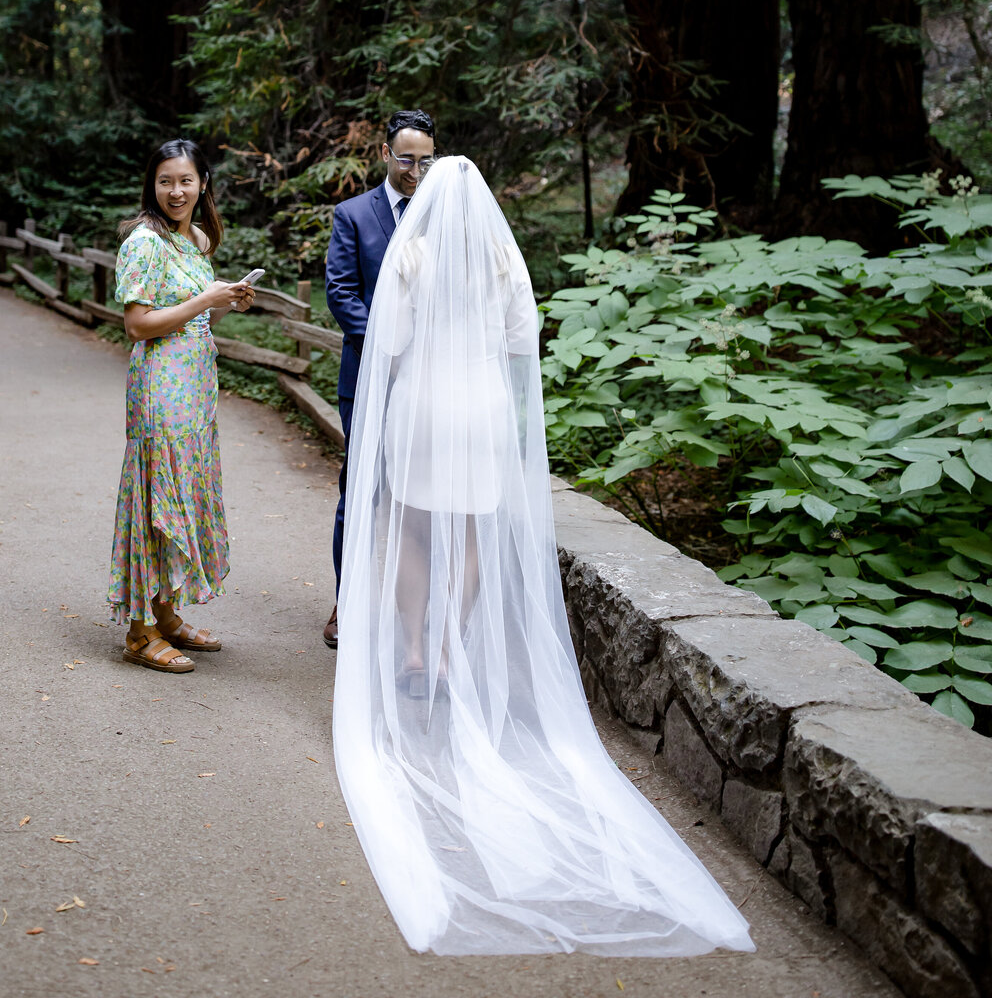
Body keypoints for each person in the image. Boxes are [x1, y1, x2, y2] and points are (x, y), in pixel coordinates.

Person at [332, 156, 754, 958]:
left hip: (425, 402)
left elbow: (388, 343)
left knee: (416, 533)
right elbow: (524, 351)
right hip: (483, 408)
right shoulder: (503, 261)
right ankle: (454, 649)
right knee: (474, 536)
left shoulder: (412, 258)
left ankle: (416, 647)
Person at [108, 138, 256, 673]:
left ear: (203, 183)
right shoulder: (144, 243)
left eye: (185, 180)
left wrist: (224, 302)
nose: (176, 190)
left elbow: (192, 318)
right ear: (152, 184)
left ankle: (167, 615)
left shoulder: (193, 238)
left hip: (196, 389)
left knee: (184, 496)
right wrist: (206, 299)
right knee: (157, 503)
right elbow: (138, 324)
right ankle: (140, 631)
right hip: (159, 392)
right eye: (165, 180)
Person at [322, 109, 436, 647]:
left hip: (431, 384)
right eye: (407, 158)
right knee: (362, 492)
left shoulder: (444, 215)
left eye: (425, 159)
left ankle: (414, 614)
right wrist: (394, 344)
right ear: (385, 155)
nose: (416, 169)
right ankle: (347, 605)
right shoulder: (353, 215)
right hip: (367, 375)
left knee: (420, 496)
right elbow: (342, 293)